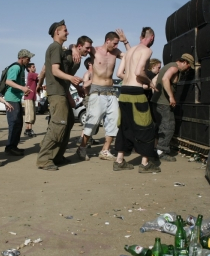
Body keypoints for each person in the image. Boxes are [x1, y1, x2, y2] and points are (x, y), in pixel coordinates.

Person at [36, 20, 84, 170]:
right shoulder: (54, 47)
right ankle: (44, 159)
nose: (67, 32)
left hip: (61, 92)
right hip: (56, 93)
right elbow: (55, 70)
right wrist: (71, 78)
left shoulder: (58, 48)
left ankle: (57, 156)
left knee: (68, 123)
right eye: (65, 30)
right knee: (58, 126)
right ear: (57, 32)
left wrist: (73, 48)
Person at [77, 30, 130, 161]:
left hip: (111, 91)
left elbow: (131, 56)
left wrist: (125, 41)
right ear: (107, 41)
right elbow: (78, 47)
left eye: (118, 44)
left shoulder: (116, 52)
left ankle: (105, 150)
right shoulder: (94, 51)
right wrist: (73, 50)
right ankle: (82, 148)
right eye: (115, 43)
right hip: (97, 91)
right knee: (92, 120)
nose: (116, 46)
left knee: (114, 121)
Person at [113, 27, 160, 173]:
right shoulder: (147, 51)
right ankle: (145, 164)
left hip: (124, 93)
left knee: (125, 127)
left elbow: (119, 73)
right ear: (151, 38)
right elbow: (139, 71)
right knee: (146, 126)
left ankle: (119, 161)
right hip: (136, 94)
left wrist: (134, 80)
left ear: (141, 36)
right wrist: (149, 82)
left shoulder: (129, 51)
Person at [150, 54, 194, 162]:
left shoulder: (168, 66)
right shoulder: (174, 67)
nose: (188, 69)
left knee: (159, 126)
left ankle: (156, 148)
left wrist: (156, 95)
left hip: (156, 101)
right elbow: (165, 79)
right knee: (168, 126)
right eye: (188, 66)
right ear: (184, 62)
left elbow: (155, 80)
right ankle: (161, 151)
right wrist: (171, 97)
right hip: (163, 103)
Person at [4, 49, 34, 155]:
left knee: (18, 124)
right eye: (28, 58)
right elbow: (8, 81)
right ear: (22, 58)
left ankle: (13, 146)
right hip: (11, 99)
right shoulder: (16, 67)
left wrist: (23, 90)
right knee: (14, 123)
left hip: (16, 99)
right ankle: (10, 147)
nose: (29, 60)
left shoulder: (21, 68)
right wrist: (22, 88)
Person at [24, 62, 38, 137]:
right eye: (33, 67)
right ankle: (28, 129)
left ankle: (29, 129)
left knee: (31, 114)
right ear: (29, 68)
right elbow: (40, 76)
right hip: (29, 97)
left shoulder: (33, 76)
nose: (34, 68)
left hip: (32, 97)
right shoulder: (31, 75)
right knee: (30, 114)